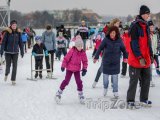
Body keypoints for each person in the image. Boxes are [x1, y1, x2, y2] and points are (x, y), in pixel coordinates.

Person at [127, 5, 153, 109]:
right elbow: (134, 44)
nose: (148, 16)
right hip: (136, 60)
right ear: (142, 14)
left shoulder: (146, 25)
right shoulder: (135, 26)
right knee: (134, 80)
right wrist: (140, 57)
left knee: (146, 80)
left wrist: (150, 55)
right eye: (147, 14)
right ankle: (130, 101)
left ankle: (143, 99)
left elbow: (148, 43)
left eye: (149, 14)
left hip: (146, 59)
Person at [94, 26, 127, 98]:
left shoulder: (119, 40)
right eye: (111, 33)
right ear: (109, 33)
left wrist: (125, 57)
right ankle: (105, 88)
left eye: (114, 33)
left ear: (116, 33)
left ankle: (115, 91)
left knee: (115, 78)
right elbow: (100, 48)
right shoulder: (106, 39)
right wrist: (96, 57)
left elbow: (124, 50)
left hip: (116, 62)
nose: (112, 34)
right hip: (106, 62)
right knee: (105, 78)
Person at [55, 37, 88, 104]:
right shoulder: (72, 51)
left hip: (77, 70)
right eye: (78, 46)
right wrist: (63, 66)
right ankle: (58, 93)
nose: (80, 47)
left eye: (81, 46)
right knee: (66, 81)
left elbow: (85, 61)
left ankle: (80, 95)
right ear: (76, 45)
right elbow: (66, 58)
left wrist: (84, 69)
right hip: (69, 69)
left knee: (79, 82)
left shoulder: (82, 52)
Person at [92, 18, 121, 88]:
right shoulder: (108, 30)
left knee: (114, 69)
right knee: (102, 68)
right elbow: (103, 41)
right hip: (107, 53)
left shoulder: (118, 31)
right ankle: (95, 81)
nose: (118, 25)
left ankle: (112, 83)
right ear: (114, 23)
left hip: (115, 53)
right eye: (117, 23)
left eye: (119, 24)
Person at [0, 20, 24, 85]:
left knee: (15, 66)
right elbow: (3, 42)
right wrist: (1, 51)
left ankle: (13, 80)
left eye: (15, 25)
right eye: (13, 25)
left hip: (15, 52)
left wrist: (22, 51)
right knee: (8, 65)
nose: (14, 26)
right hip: (8, 52)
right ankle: (6, 74)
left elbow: (20, 43)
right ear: (11, 25)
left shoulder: (18, 33)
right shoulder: (7, 32)